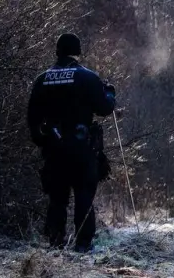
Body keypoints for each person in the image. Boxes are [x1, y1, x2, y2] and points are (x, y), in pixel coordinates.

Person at [26, 32, 117, 252]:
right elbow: (105, 108)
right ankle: (83, 245)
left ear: (57, 51)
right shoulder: (87, 77)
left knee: (57, 198)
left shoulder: (42, 79)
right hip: (81, 147)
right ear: (77, 52)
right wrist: (110, 93)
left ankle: (55, 242)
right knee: (84, 194)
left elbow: (32, 117)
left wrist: (42, 140)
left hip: (54, 148)